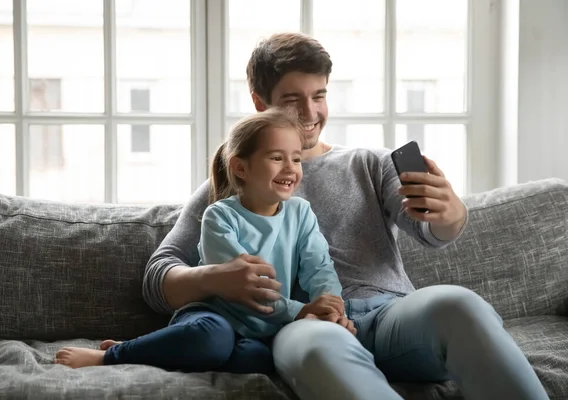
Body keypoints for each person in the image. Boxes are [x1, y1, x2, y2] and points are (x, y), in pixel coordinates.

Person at [140, 32, 549, 400]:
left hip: (392, 319)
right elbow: (157, 278)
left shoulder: (370, 164)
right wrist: (214, 278)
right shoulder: (231, 182)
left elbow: (431, 231)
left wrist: (451, 213)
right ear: (260, 104)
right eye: (291, 100)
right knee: (320, 345)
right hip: (307, 323)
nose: (311, 112)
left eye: (319, 95)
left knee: (459, 304)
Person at [54, 107, 351, 374]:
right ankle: (114, 355)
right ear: (240, 168)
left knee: (256, 361)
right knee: (211, 338)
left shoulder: (301, 213)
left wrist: (332, 308)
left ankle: (164, 347)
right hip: (213, 316)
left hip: (262, 327)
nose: (290, 167)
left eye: (296, 158)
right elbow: (252, 288)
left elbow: (319, 267)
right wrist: (300, 310)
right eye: (277, 157)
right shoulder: (219, 217)